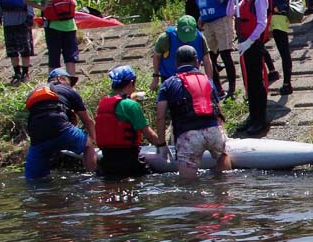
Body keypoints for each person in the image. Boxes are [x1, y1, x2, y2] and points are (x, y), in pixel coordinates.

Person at [155, 45, 232, 180]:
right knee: (222, 156)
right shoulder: (208, 81)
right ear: (197, 62)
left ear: (176, 63)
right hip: (213, 131)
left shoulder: (168, 84)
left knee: (189, 186)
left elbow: (160, 116)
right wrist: (222, 135)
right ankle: (225, 192)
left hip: (188, 136)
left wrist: (161, 144)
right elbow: (218, 110)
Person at [23, 67, 97, 180]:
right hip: (59, 127)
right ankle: (92, 179)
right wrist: (93, 140)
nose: (71, 86)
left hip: (36, 134)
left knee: (35, 179)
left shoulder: (35, 93)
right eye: (69, 82)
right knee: (88, 145)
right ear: (60, 78)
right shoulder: (68, 91)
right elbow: (88, 121)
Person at [95, 65, 161, 179]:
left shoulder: (102, 103)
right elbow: (149, 134)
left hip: (106, 161)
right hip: (129, 160)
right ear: (131, 83)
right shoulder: (131, 105)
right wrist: (162, 146)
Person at [189, 0, 237, 100]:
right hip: (208, 21)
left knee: (225, 54)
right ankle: (218, 88)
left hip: (221, 19)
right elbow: (200, 1)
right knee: (210, 57)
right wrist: (201, 16)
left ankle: (232, 89)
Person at [231, 0, 271, 136]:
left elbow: (261, 23)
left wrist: (249, 41)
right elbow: (230, 12)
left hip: (253, 44)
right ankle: (252, 116)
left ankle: (260, 119)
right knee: (249, 83)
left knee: (256, 82)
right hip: (244, 45)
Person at [25, 0, 80, 80]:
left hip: (70, 26)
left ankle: (71, 83)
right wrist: (41, 7)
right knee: (54, 57)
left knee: (71, 57)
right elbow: (27, 0)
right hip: (53, 27)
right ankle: (53, 82)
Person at [256, 0, 294, 94]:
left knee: (283, 49)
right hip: (269, 13)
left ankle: (287, 83)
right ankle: (272, 70)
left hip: (278, 13)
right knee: (258, 43)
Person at [151, 14, 212, 88]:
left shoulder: (200, 38)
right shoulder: (166, 38)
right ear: (177, 29)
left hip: (192, 78)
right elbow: (156, 56)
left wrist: (209, 82)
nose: (186, 41)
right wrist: (156, 76)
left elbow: (207, 61)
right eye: (184, 36)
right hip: (169, 78)